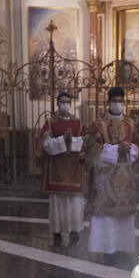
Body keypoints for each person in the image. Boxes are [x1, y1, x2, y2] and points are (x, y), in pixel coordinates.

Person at [85, 86, 139, 259]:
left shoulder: (131, 124)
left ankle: (122, 249)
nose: (117, 104)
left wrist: (130, 149)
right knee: (107, 218)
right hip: (105, 179)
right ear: (108, 102)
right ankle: (107, 250)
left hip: (125, 177)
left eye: (120, 101)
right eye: (114, 101)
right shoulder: (98, 124)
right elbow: (91, 149)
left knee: (123, 218)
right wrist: (116, 150)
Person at [38, 90, 87, 246]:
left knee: (75, 203)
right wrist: (62, 141)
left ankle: (74, 233)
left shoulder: (78, 123)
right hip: (57, 170)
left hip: (73, 169)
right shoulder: (51, 122)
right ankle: (57, 234)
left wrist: (71, 141)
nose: (65, 104)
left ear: (71, 104)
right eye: (62, 102)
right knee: (57, 203)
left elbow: (85, 141)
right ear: (58, 104)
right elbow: (45, 144)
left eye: (67, 102)